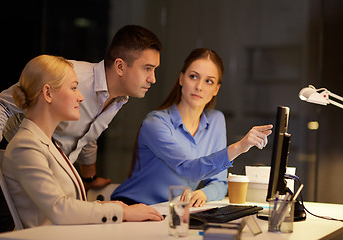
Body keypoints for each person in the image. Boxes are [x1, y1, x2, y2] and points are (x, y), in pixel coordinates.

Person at [0, 25, 162, 238]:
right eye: (148, 68)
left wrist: (89, 177)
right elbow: (2, 104)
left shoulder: (118, 98)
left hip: (55, 169)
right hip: (16, 166)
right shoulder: (67, 75)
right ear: (120, 66)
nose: (153, 78)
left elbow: (86, 136)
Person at [111, 48, 273, 207]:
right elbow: (188, 168)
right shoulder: (155, 123)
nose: (199, 87)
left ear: (216, 89)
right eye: (193, 77)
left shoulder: (216, 120)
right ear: (181, 79)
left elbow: (219, 182)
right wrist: (238, 147)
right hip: (133, 206)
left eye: (209, 81)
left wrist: (203, 194)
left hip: (173, 212)